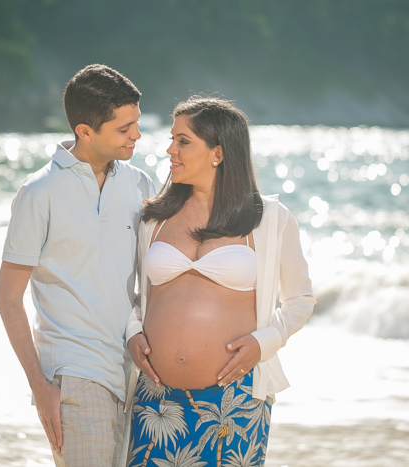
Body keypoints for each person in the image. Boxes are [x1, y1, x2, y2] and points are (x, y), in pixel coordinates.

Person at [125, 96, 315, 466]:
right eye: (172, 138)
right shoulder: (153, 219)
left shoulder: (270, 219)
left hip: (234, 402)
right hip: (156, 401)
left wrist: (265, 343)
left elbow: (300, 299)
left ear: (218, 153)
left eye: (183, 141)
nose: (170, 150)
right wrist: (132, 331)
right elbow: (132, 294)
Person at [0, 64, 155, 467]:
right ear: (85, 131)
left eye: (136, 124)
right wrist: (40, 385)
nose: (136, 135)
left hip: (134, 374)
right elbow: (8, 298)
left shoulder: (141, 184)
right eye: (124, 129)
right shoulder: (39, 192)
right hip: (75, 372)